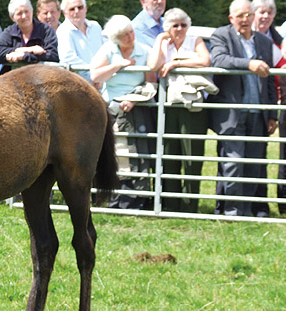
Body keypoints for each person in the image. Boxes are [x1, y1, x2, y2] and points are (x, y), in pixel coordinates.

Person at [208, 0, 278, 217]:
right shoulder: (221, 35)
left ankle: (246, 210)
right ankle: (232, 211)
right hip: (232, 112)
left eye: (248, 15)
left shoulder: (264, 42)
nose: (245, 20)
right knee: (234, 163)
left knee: (253, 165)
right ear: (231, 18)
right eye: (240, 16)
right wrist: (248, 64)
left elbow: (269, 82)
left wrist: (272, 114)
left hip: (258, 112)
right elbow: (218, 59)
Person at [148, 8, 211, 213]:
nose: (180, 29)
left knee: (191, 155)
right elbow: (153, 65)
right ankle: (170, 203)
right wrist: (159, 40)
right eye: (175, 25)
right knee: (169, 154)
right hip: (168, 105)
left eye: (183, 24)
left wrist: (176, 63)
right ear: (168, 27)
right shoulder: (164, 44)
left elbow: (205, 61)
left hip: (192, 106)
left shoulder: (195, 40)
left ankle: (189, 205)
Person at [91, 15, 157, 209]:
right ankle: (114, 197)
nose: (131, 37)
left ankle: (137, 198)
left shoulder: (144, 50)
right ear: (116, 39)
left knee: (137, 152)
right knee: (114, 153)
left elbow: (151, 81)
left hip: (136, 107)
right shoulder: (109, 50)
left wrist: (134, 99)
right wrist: (119, 65)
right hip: (111, 108)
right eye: (125, 35)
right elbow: (95, 74)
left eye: (131, 32)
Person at [252, 0, 285, 215]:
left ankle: (273, 202)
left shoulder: (279, 40)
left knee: (271, 153)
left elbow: (281, 73)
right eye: (261, 12)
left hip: (272, 102)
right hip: (249, 102)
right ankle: (251, 202)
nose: (265, 16)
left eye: (269, 12)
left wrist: (275, 109)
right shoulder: (243, 34)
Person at [0, 0, 59, 73]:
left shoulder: (46, 31)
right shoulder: (10, 31)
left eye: (26, 11)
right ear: (12, 17)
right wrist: (21, 50)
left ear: (32, 11)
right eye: (19, 13)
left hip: (40, 78)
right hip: (12, 79)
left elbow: (53, 56)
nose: (24, 16)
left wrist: (24, 56)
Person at [56, 0, 103, 83]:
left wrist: (102, 77)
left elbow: (105, 53)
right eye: (72, 9)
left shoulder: (96, 27)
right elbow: (68, 59)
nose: (77, 11)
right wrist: (93, 77)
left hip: (103, 80)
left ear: (86, 9)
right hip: (80, 84)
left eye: (80, 7)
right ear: (65, 13)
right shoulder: (63, 31)